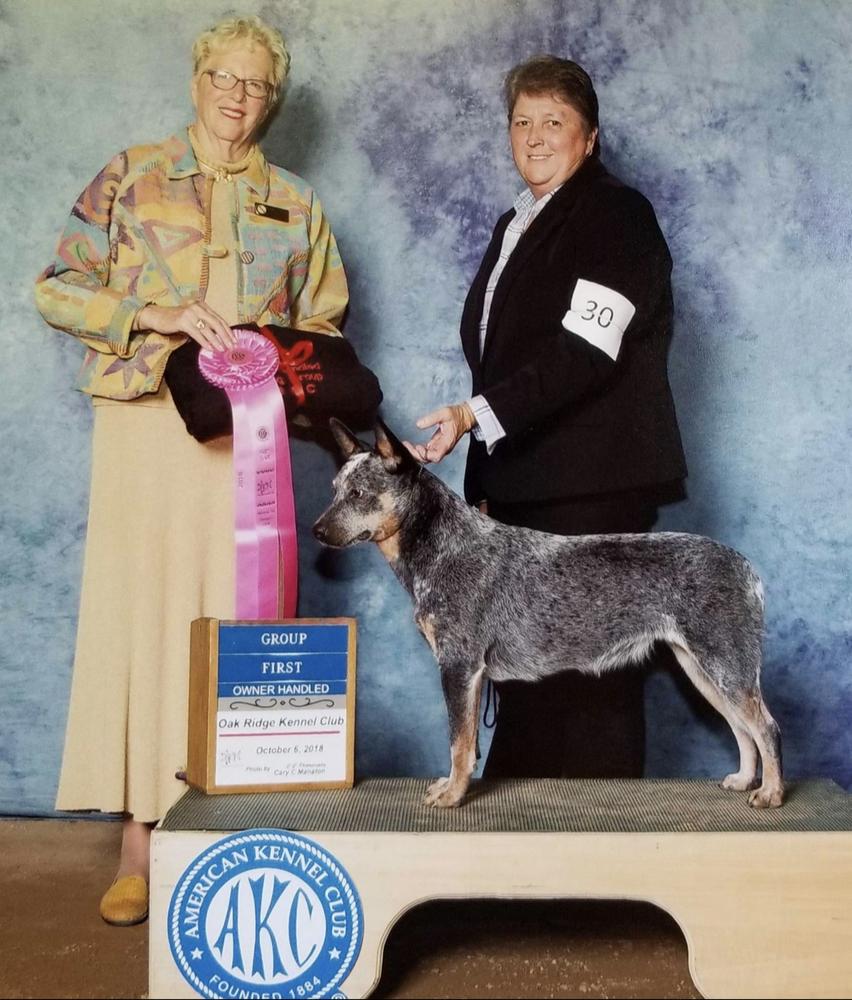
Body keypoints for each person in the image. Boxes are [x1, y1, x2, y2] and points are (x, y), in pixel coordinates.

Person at [34, 15, 348, 926]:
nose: (236, 95)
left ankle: (228, 823)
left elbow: (324, 325)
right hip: (142, 425)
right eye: (224, 75)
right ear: (197, 78)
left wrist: (272, 356)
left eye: (255, 84)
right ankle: (139, 841)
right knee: (147, 620)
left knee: (236, 612)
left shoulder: (298, 201)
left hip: (245, 446)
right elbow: (56, 286)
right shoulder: (130, 174)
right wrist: (150, 311)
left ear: (271, 100)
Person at [409, 56, 687, 782]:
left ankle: (597, 883)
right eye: (521, 122)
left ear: (589, 137)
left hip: (595, 485)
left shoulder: (616, 214)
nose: (534, 137)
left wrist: (474, 414)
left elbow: (585, 353)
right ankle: (522, 876)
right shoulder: (516, 221)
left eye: (553, 122)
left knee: (592, 692)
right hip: (524, 488)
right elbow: (505, 355)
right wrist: (484, 450)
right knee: (525, 683)